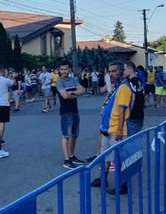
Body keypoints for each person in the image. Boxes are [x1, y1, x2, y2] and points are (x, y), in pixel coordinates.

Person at [94, 62, 134, 191]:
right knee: (105, 156)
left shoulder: (123, 88)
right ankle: (103, 179)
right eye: (109, 71)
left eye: (114, 71)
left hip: (116, 130)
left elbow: (122, 110)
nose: (111, 74)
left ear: (121, 72)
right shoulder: (117, 87)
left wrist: (119, 131)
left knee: (119, 159)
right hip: (107, 129)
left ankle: (123, 185)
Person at [56, 60, 85, 168]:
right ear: (60, 70)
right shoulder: (59, 82)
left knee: (75, 134)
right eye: (62, 69)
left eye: (66, 69)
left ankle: (72, 155)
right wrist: (75, 94)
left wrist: (72, 93)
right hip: (65, 112)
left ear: (69, 69)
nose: (64, 71)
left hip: (75, 110)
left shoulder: (73, 79)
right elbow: (64, 96)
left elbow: (83, 90)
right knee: (66, 135)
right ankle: (66, 159)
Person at [124, 62, 146, 135]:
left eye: (125, 69)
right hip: (140, 113)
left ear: (130, 69)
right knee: (137, 138)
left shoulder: (131, 82)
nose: (123, 72)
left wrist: (128, 112)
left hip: (133, 115)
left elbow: (132, 98)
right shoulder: (138, 81)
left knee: (131, 139)